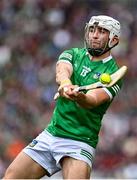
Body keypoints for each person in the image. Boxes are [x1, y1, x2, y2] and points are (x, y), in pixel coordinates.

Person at [3, 15, 123, 179]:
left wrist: (79, 96)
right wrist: (66, 83)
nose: (94, 35)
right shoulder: (73, 53)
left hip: (79, 141)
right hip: (52, 133)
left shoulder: (113, 73)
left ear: (113, 39)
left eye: (102, 31)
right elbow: (62, 70)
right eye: (92, 30)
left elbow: (93, 100)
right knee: (10, 177)